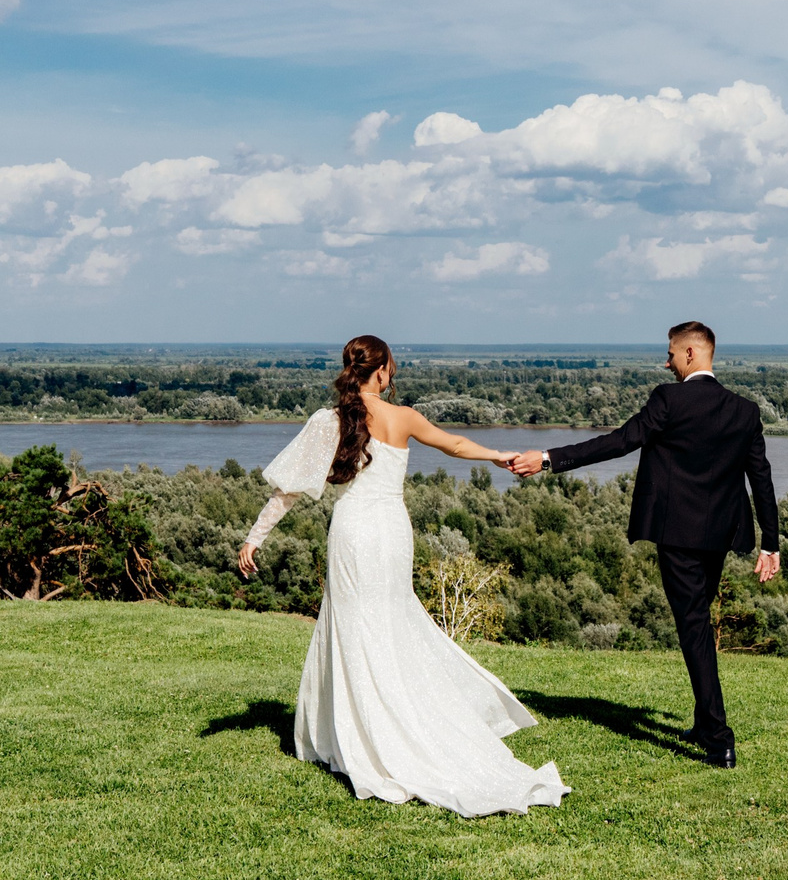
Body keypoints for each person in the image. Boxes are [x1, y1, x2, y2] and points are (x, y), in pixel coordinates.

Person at [238, 335, 568, 818]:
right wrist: (497, 455)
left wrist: (254, 537)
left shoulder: (330, 421)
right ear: (383, 371)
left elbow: (287, 492)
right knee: (389, 623)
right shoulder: (404, 416)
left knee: (355, 626)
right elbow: (453, 444)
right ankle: (388, 720)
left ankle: (367, 732)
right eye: (392, 366)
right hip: (391, 531)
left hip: (353, 532)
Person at [508, 321, 778, 768]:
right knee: (698, 624)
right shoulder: (745, 410)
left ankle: (719, 737)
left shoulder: (668, 400)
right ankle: (705, 722)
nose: (665, 361)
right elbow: (761, 479)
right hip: (720, 536)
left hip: (677, 535)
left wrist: (549, 459)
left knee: (693, 627)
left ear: (691, 354)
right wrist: (771, 543)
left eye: (670, 353)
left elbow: (619, 442)